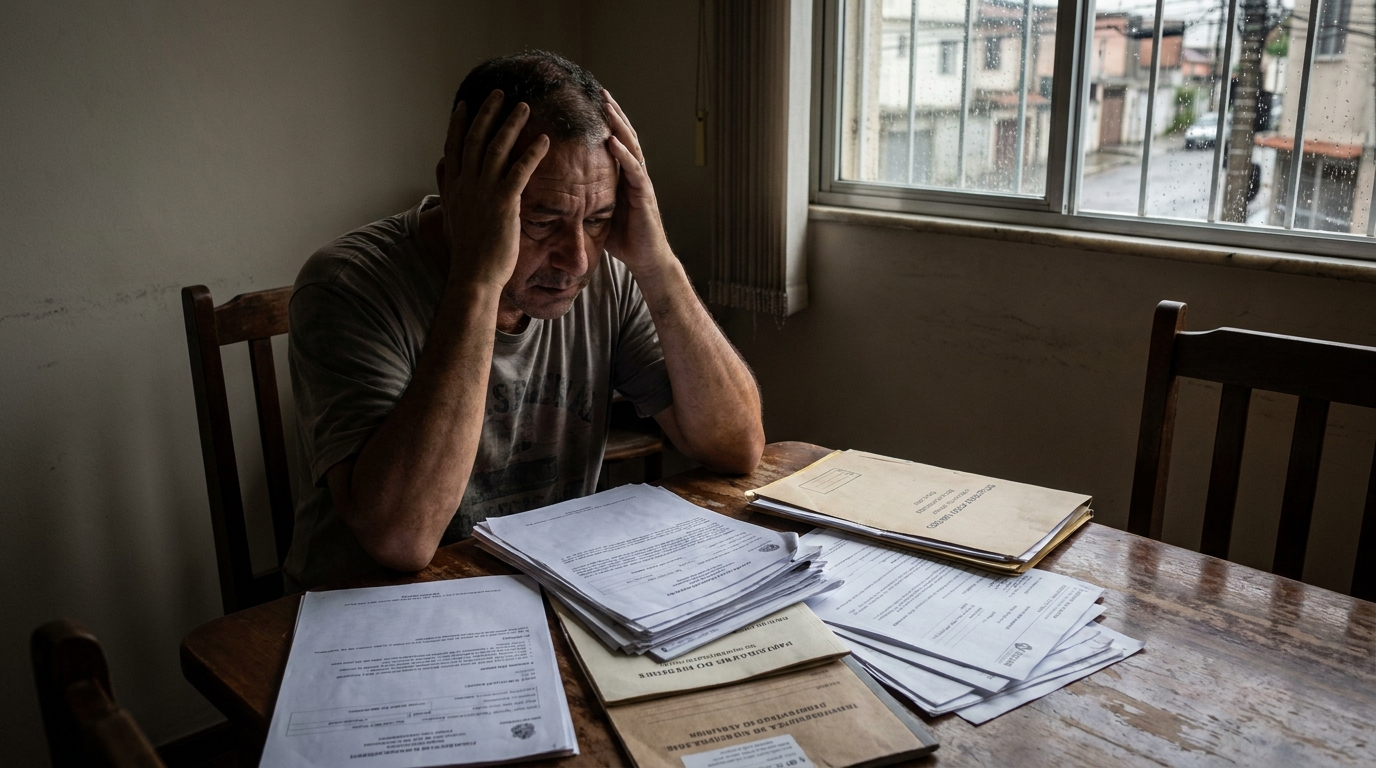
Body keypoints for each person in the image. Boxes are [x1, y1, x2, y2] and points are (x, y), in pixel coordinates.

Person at [282, 51, 763, 590]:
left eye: (598, 219)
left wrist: (659, 265)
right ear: (458, 192)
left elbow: (736, 448)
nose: (576, 260)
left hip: (537, 588)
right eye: (541, 221)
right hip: (372, 610)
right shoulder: (345, 285)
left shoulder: (608, 273)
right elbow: (401, 539)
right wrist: (477, 281)